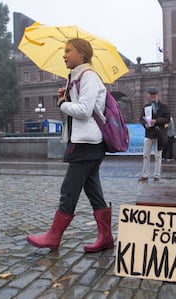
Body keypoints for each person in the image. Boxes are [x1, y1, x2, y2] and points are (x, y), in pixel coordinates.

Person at [26, 38, 113, 253]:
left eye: (68, 51)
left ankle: (53, 237)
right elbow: (80, 109)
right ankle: (106, 238)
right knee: (93, 191)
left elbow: (84, 110)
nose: (64, 55)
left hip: (86, 143)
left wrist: (63, 104)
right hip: (86, 143)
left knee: (69, 190)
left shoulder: (89, 77)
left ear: (82, 54)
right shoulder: (76, 79)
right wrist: (65, 97)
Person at [138, 87, 170, 182]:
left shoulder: (164, 107)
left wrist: (156, 121)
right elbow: (141, 119)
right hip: (148, 134)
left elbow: (167, 119)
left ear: (157, 95)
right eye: (150, 95)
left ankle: (157, 175)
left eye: (154, 95)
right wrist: (145, 124)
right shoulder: (145, 107)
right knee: (145, 155)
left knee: (158, 156)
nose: (152, 96)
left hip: (159, 134)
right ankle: (145, 175)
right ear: (148, 95)